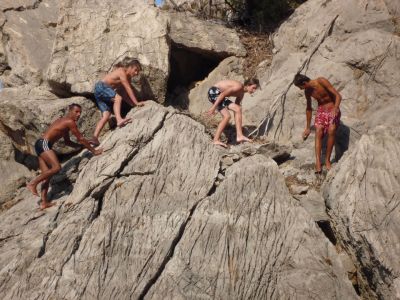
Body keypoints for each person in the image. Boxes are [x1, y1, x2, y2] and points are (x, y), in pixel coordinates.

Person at [27, 103, 103, 209]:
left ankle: (44, 202)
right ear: (70, 111)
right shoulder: (70, 122)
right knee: (56, 167)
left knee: (47, 176)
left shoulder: (64, 122)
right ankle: (32, 184)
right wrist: (93, 151)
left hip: (40, 144)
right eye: (76, 112)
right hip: (44, 143)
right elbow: (80, 138)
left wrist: (80, 146)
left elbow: (67, 142)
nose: (79, 114)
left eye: (80, 112)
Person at [91, 57, 145, 146]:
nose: (136, 73)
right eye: (135, 70)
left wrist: (132, 104)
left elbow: (123, 94)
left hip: (99, 93)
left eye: (138, 72)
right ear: (130, 67)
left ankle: (95, 137)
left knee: (106, 115)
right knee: (117, 98)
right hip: (101, 86)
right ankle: (119, 119)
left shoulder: (128, 78)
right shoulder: (121, 72)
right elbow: (127, 89)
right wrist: (136, 102)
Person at [293, 73, 342, 173]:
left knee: (331, 130)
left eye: (300, 87)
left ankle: (327, 160)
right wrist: (307, 127)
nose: (300, 89)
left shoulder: (321, 81)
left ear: (305, 83)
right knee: (318, 130)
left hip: (333, 107)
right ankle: (318, 162)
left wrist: (336, 108)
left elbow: (338, 96)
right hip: (321, 110)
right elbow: (309, 109)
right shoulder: (307, 92)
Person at [206, 78, 259, 148]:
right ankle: (237, 136)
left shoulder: (241, 94)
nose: (254, 90)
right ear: (248, 85)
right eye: (253, 88)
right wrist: (213, 108)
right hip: (214, 91)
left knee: (231, 113)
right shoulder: (239, 87)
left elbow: (236, 109)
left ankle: (219, 139)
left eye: (255, 89)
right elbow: (223, 94)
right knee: (231, 113)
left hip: (218, 94)